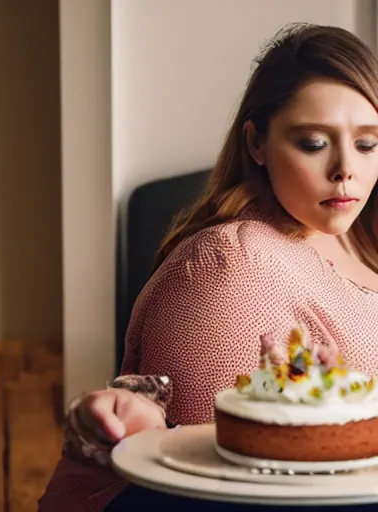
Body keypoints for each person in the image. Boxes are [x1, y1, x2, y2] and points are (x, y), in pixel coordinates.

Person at [39, 22, 378, 511]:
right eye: (313, 142)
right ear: (256, 144)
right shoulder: (229, 269)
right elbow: (219, 482)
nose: (346, 168)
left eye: (367, 144)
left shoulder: (359, 235)